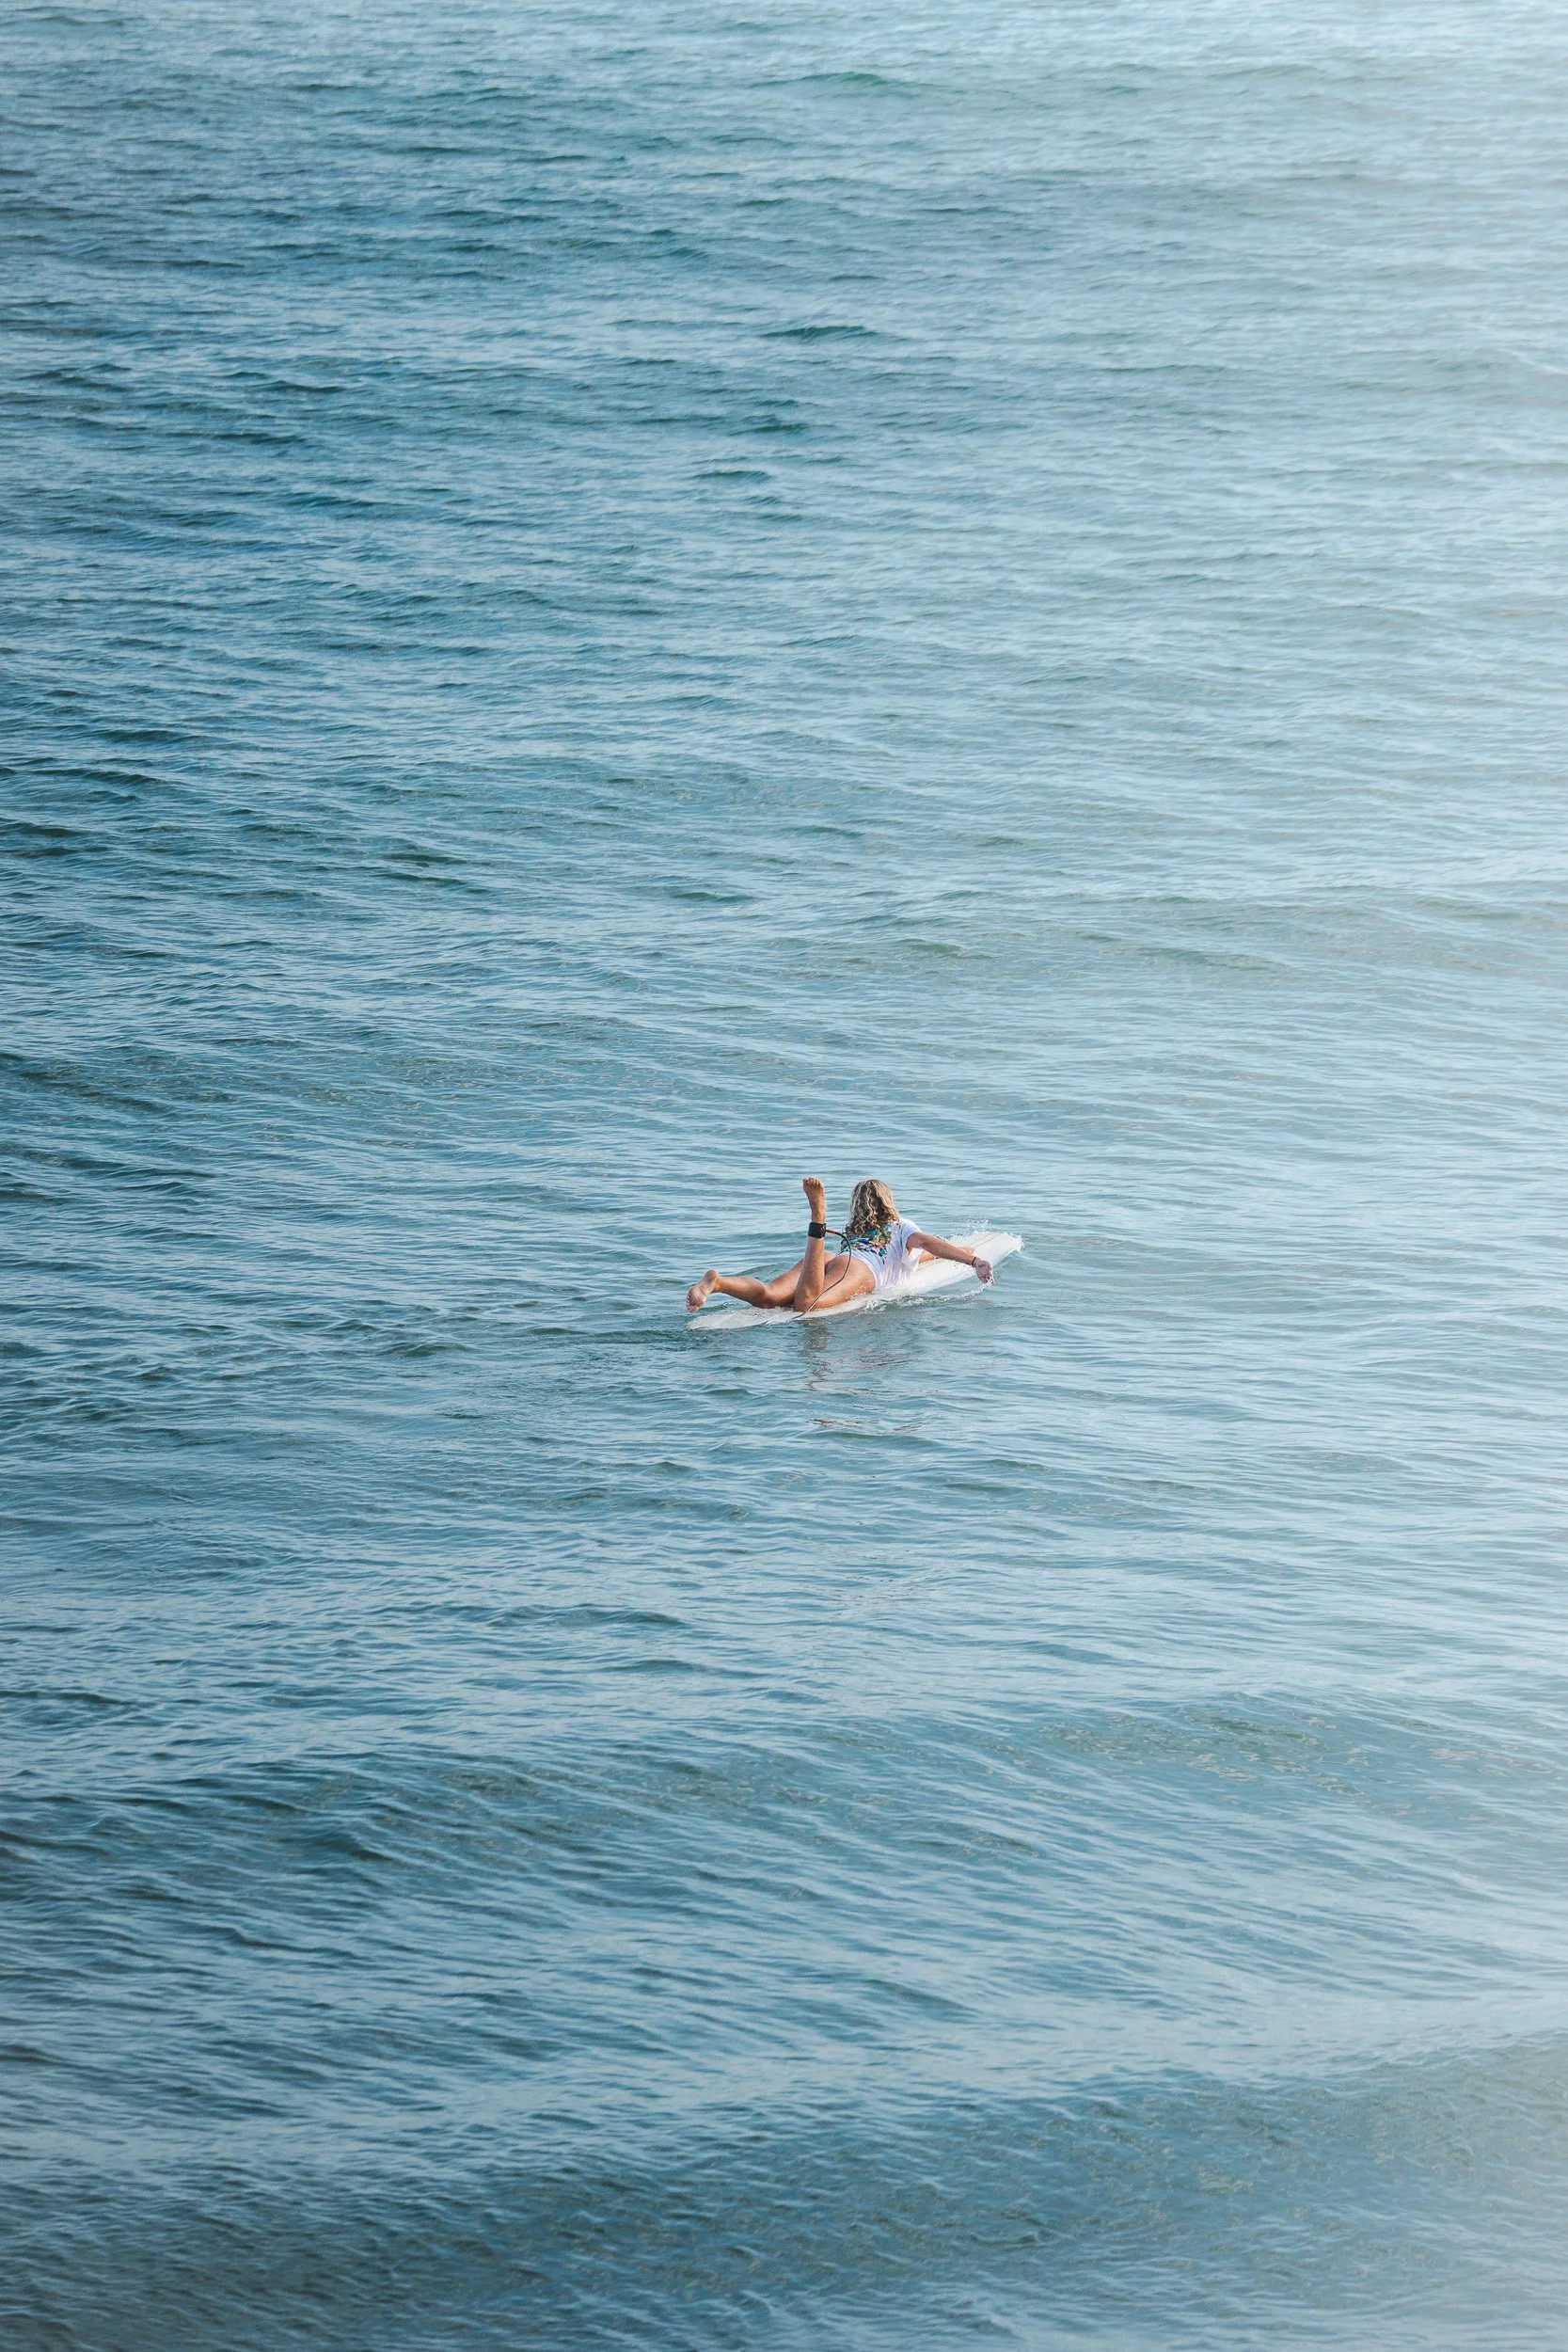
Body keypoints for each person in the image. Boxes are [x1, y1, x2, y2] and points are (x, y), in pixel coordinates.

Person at [687, 1176, 995, 1314]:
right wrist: (972, 1261)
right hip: (861, 1272)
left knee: (769, 1298)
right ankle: (817, 1219)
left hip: (838, 1259)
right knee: (805, 1306)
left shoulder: (859, 1229)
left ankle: (719, 1283)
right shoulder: (901, 1227)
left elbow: (924, 1253)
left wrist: (961, 1253)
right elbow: (926, 1243)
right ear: (890, 1202)